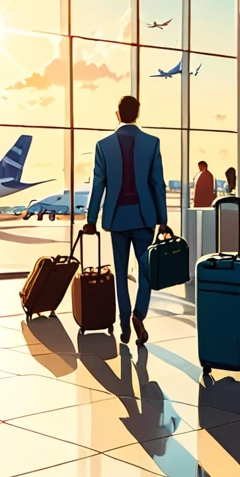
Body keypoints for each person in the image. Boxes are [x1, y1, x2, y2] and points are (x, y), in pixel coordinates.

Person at [84, 96, 167, 346]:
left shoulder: (103, 145)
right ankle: (138, 315)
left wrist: (91, 219)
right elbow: (157, 185)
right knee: (146, 272)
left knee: (120, 274)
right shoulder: (152, 144)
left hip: (117, 218)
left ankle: (123, 326)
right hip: (144, 219)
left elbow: (98, 185)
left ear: (117, 114)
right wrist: (162, 219)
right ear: (138, 112)